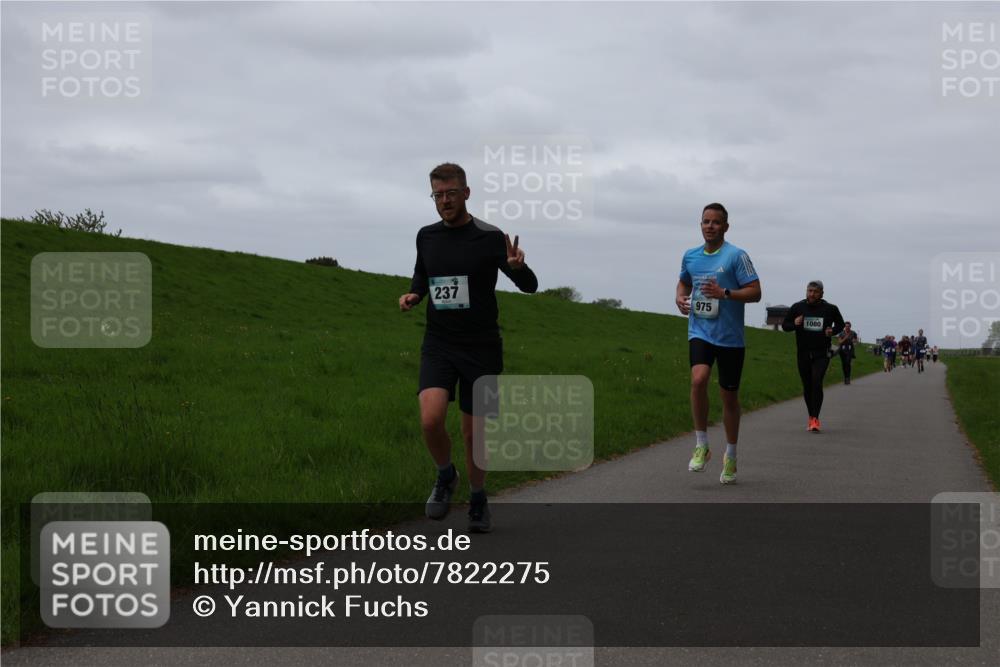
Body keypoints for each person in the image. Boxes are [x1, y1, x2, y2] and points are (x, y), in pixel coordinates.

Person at [400, 162, 538, 532]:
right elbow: (422, 273)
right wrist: (415, 293)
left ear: (466, 193)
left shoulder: (490, 237)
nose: (444, 201)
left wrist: (517, 268)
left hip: (483, 347)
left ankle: (478, 498)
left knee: (474, 434)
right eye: (438, 195)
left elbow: (529, 286)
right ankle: (446, 475)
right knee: (430, 419)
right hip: (439, 342)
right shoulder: (426, 236)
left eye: (451, 194)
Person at [676, 203, 762, 484]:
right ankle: (701, 444)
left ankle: (732, 455)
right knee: (698, 379)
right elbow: (683, 283)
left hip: (730, 338)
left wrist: (724, 293)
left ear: (726, 226)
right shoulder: (690, 256)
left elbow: (756, 292)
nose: (709, 226)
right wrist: (679, 297)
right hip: (700, 330)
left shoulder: (737, 256)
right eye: (705, 221)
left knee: (729, 398)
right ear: (700, 225)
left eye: (715, 222)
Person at [781, 280, 845, 432]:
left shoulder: (830, 309)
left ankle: (815, 418)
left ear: (822, 293)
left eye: (815, 292)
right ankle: (811, 416)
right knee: (807, 385)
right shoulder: (798, 307)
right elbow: (785, 326)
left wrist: (833, 331)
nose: (812, 294)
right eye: (810, 291)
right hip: (803, 352)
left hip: (822, 352)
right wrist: (795, 323)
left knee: (816, 382)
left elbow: (841, 325)